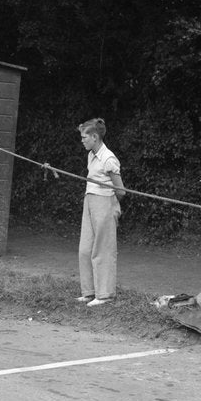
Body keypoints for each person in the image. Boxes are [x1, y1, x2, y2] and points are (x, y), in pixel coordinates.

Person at [76, 118, 125, 307]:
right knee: (85, 249)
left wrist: (111, 208)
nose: (82, 140)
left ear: (94, 137)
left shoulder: (108, 158)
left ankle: (104, 295)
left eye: (84, 137)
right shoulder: (91, 154)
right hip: (89, 201)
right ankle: (89, 292)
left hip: (104, 203)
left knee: (103, 249)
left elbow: (120, 191)